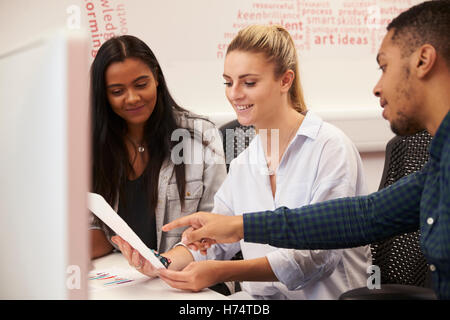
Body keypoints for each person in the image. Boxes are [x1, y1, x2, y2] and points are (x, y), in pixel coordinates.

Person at [162, 1, 450, 299]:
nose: (377, 87)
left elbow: (321, 252)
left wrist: (230, 253)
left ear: (423, 60)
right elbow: (362, 216)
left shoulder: (330, 146)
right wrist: (167, 261)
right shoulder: (438, 169)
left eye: (384, 67)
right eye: (228, 82)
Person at [115, 25, 372, 300]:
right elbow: (213, 243)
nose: (234, 94)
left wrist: (225, 272)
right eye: (228, 82)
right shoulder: (244, 162)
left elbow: (317, 257)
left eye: (248, 83)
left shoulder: (330, 149)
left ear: (285, 81)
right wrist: (159, 262)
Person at [89, 35, 227, 259]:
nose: (132, 98)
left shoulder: (201, 136)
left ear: (156, 78)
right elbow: (95, 229)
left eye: (141, 84)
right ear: (103, 95)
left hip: (191, 277)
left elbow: (218, 228)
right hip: (126, 278)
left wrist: (166, 264)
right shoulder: (94, 146)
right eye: (117, 91)